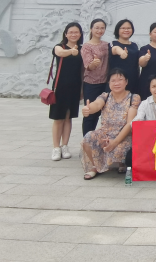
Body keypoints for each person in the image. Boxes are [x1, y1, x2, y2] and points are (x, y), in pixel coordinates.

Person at [80, 68, 140, 180]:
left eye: (120, 80)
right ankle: (96, 166)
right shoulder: (105, 96)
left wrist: (115, 142)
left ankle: (121, 163)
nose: (117, 83)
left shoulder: (134, 98)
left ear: (126, 82)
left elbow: (130, 124)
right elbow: (97, 104)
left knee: (118, 150)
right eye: (113, 80)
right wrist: (88, 109)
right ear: (109, 83)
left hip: (124, 136)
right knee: (87, 138)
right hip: (105, 133)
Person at [49, 22, 84, 161]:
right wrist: (71, 52)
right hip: (61, 87)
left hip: (75, 87)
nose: (73, 34)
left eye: (76, 32)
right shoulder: (60, 47)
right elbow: (60, 53)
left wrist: (82, 89)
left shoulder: (82, 49)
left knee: (68, 117)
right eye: (71, 32)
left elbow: (83, 70)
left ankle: (65, 146)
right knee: (58, 118)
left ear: (80, 34)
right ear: (66, 34)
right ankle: (56, 147)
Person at [81, 19, 109, 135]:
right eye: (97, 28)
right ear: (91, 29)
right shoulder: (87, 46)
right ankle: (87, 140)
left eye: (102, 28)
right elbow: (88, 66)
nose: (99, 30)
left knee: (103, 113)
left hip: (106, 83)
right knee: (91, 113)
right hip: (91, 84)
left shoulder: (107, 45)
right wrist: (94, 63)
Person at [109, 19, 141, 95]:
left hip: (133, 80)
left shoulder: (134, 45)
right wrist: (122, 52)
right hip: (118, 81)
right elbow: (115, 49)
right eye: (123, 28)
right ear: (117, 30)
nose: (126, 30)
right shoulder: (113, 43)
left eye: (129, 28)